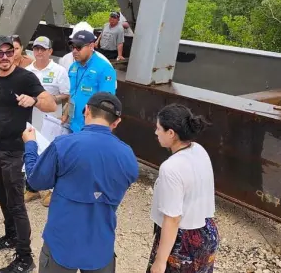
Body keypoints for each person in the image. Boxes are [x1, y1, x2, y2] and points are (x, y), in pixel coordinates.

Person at [23, 92, 139, 273]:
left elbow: (35, 181)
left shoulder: (63, 144)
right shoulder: (128, 155)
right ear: (116, 122)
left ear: (86, 112)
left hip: (61, 241)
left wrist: (30, 145)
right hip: (101, 245)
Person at [0, 35, 57, 273]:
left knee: (16, 204)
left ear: (14, 54)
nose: (5, 57)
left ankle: (25, 257)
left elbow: (51, 103)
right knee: (0, 196)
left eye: (8, 52)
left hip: (16, 151)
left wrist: (33, 100)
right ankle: (11, 236)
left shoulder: (26, 77)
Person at [147, 104, 218, 273]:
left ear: (171, 133)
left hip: (183, 241)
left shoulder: (170, 168)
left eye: (158, 129)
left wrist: (160, 261)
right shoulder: (199, 150)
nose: (156, 132)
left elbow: (173, 219)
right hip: (207, 231)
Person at [24, 36, 70, 207]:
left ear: (50, 51)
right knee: (31, 148)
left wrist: (48, 99)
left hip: (52, 118)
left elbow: (66, 94)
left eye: (43, 49)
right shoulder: (28, 70)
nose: (39, 52)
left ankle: (53, 190)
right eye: (36, 48)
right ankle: (31, 188)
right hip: (31, 117)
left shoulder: (59, 71)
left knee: (53, 152)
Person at [64, 30, 116, 134]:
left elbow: (106, 103)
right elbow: (71, 93)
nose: (74, 51)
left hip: (90, 130)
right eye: (72, 47)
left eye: (79, 47)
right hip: (72, 125)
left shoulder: (105, 69)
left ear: (91, 46)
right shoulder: (73, 67)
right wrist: (66, 112)